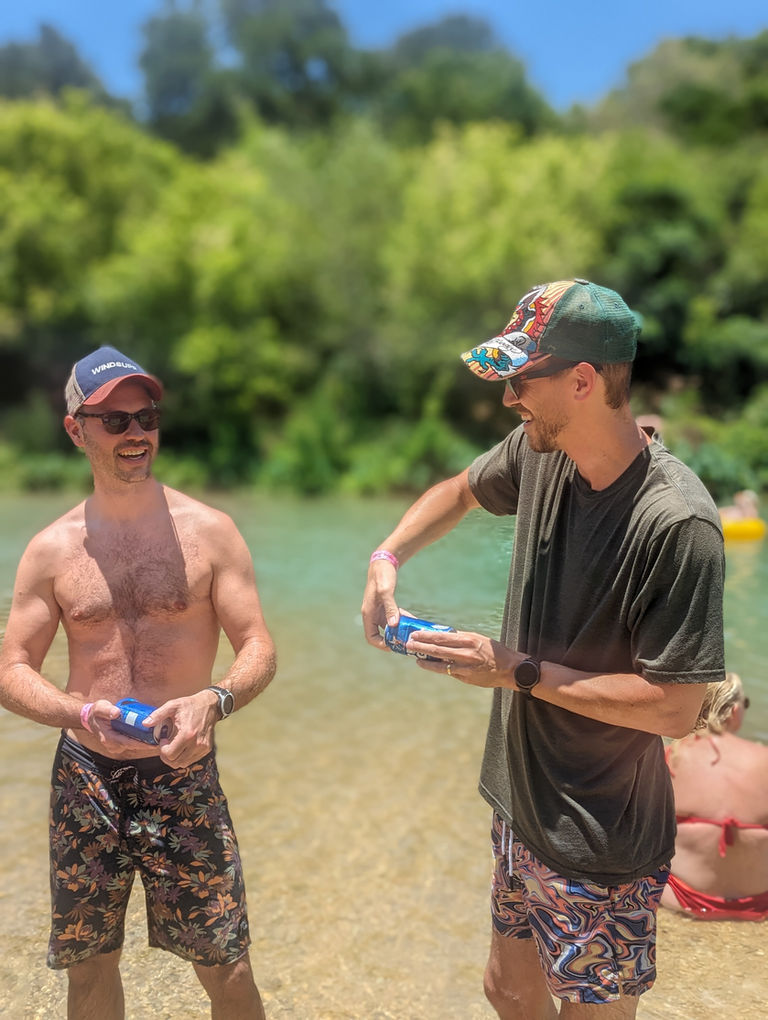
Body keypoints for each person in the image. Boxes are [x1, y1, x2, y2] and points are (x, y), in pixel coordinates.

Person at [361, 279, 726, 1018]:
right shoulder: (542, 452)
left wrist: (516, 670)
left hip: (600, 837)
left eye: (523, 379)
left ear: (584, 382)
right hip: (520, 801)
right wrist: (387, 558)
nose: (508, 400)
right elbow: (460, 490)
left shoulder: (677, 524)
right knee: (509, 990)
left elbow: (675, 708)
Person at [0, 346, 276, 1019]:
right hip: (86, 777)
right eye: (115, 421)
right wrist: (75, 711)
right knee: (90, 967)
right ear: (76, 429)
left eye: (146, 417)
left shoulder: (210, 533)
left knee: (227, 965)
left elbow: (258, 646)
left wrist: (215, 699)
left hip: (182, 776)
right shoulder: (51, 549)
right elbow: (10, 669)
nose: (136, 435)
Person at [662, 672, 768, 920]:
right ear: (734, 711)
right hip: (760, 900)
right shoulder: (764, 759)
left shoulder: (672, 757)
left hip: (680, 896)